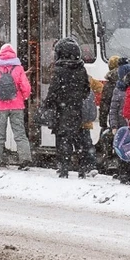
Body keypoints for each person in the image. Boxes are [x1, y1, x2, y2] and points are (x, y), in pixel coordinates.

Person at [43, 38, 95, 179]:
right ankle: (82, 168)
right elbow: (86, 89)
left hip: (62, 110)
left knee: (63, 139)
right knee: (78, 139)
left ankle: (63, 168)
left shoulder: (59, 70)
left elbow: (53, 91)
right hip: (76, 109)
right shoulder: (81, 69)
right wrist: (76, 99)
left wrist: (48, 103)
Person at [0, 43, 33, 170]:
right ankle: (25, 161)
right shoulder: (18, 68)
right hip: (17, 106)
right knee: (20, 134)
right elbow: (26, 88)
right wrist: (23, 98)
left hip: (0, 107)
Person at [109, 63, 130, 182]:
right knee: (123, 150)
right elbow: (113, 109)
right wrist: (113, 125)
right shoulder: (118, 90)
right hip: (121, 125)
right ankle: (123, 173)